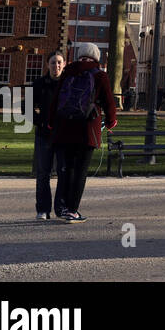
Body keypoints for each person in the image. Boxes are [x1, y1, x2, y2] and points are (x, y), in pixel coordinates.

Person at [47, 43, 117, 223]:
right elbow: (109, 102)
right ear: (96, 57)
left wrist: (50, 122)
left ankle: (61, 206)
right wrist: (110, 122)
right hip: (86, 131)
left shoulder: (68, 72)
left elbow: (56, 101)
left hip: (63, 128)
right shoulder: (100, 75)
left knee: (66, 170)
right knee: (80, 172)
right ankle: (72, 210)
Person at [32, 52, 64, 220]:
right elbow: (27, 107)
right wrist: (40, 122)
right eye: (53, 63)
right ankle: (43, 209)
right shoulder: (39, 84)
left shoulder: (68, 84)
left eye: (59, 62)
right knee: (43, 173)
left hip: (63, 136)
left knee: (63, 172)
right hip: (44, 135)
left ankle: (61, 207)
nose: (56, 66)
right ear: (47, 65)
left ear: (64, 64)